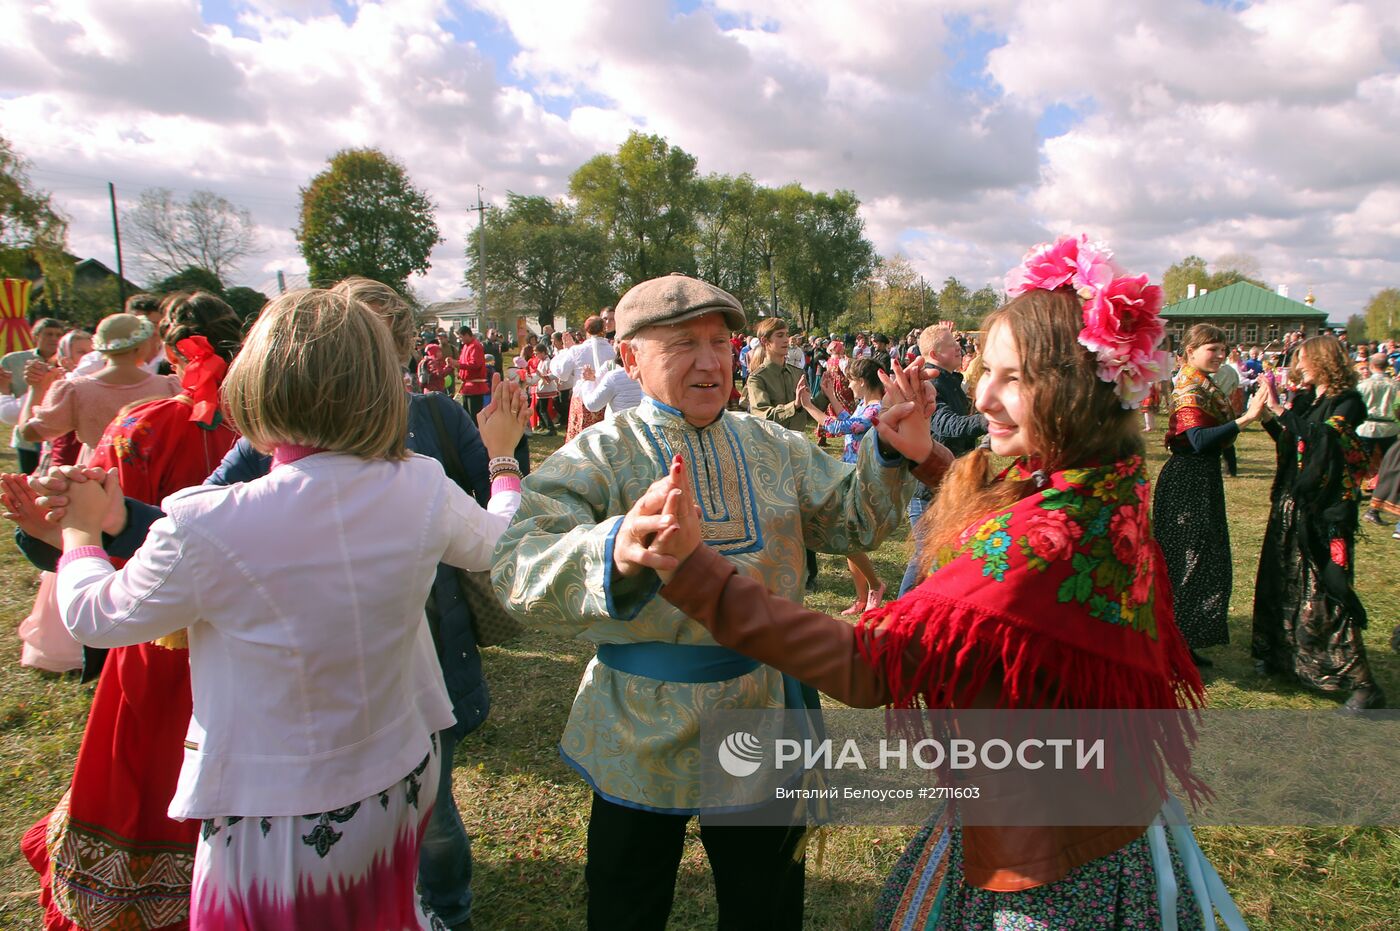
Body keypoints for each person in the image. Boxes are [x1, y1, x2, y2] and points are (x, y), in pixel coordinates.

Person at [645, 236, 1245, 930]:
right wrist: (929, 459)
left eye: (1012, 377)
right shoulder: (1108, 481)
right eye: (983, 368)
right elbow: (1013, 501)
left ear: (1078, 387)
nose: (981, 393)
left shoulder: (1048, 541)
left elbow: (870, 665)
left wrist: (699, 575)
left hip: (1043, 859)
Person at [42, 288, 527, 930]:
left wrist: (79, 533)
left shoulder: (206, 520)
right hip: (400, 773)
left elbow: (97, 618)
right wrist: (503, 463)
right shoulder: (419, 485)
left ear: (257, 384)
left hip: (276, 807)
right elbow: (502, 542)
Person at [490, 272, 950, 931]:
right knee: (627, 897)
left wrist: (884, 451)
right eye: (682, 343)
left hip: (760, 706)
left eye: (719, 341)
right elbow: (515, 562)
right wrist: (618, 546)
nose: (710, 361)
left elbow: (850, 520)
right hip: (637, 719)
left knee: (764, 900)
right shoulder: (598, 453)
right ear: (630, 359)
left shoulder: (773, 444)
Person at [5, 290, 244, 931]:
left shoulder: (141, 426)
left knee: (143, 767)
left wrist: (58, 536)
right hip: (241, 636)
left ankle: (135, 897)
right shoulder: (266, 432)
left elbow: (100, 530)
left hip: (151, 631)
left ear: (167, 349)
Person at [1251, 337, 1385, 711]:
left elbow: (1326, 438)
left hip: (1326, 512)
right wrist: (1269, 418)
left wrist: (1280, 409)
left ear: (1325, 360)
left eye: (1306, 359)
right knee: (1285, 583)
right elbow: (1294, 441)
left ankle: (1363, 685)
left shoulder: (1348, 402)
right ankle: (1284, 656)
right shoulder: (1307, 399)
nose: (1300, 365)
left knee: (1328, 591)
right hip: (1292, 504)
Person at [1154, 324, 1270, 666]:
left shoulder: (1207, 384)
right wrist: (1247, 418)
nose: (1220, 355)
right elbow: (1197, 440)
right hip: (1187, 480)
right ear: (1190, 352)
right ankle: (1172, 644)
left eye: (1223, 349)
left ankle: (1185, 641)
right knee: (1186, 561)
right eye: (1212, 349)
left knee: (1202, 559)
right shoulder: (1189, 387)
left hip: (1202, 478)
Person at [895, 323, 989, 597]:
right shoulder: (933, 384)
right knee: (925, 556)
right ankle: (897, 616)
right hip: (929, 490)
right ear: (936, 352)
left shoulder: (950, 380)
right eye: (952, 344)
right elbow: (948, 425)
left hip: (951, 484)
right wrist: (988, 422)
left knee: (946, 556)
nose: (959, 347)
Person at [744, 317, 822, 592]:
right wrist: (793, 405)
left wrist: (826, 394)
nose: (786, 340)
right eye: (779, 335)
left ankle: (810, 572)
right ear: (766, 342)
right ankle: (778, 569)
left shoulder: (796, 372)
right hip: (771, 452)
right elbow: (761, 414)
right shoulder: (757, 378)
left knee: (805, 508)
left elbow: (810, 407)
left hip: (798, 447)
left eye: (787, 334)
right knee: (778, 512)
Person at [811, 357, 889, 614]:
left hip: (864, 480)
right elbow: (847, 418)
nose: (849, 385)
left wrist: (808, 406)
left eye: (851, 381)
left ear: (863, 381)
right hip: (851, 475)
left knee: (850, 539)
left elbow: (840, 426)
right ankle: (861, 597)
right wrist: (831, 395)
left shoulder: (877, 409)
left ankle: (875, 586)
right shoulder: (865, 405)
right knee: (847, 539)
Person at [3, 317, 65, 474]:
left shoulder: (69, 361)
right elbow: (4, 392)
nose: (54, 339)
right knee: (28, 481)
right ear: (36, 337)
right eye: (49, 334)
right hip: (27, 435)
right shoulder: (14, 361)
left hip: (58, 436)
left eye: (58, 335)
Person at [553, 315, 615, 441]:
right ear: (604, 330)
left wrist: (564, 351)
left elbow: (562, 373)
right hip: (606, 397)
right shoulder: (612, 350)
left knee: (580, 440)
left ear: (586, 330)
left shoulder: (577, 350)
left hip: (583, 398)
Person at [1357, 353, 1399, 517]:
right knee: (1388, 465)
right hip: (1389, 428)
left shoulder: (1363, 385)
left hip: (1366, 426)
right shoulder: (1394, 385)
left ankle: (1355, 490)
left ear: (1371, 366)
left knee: (1359, 461)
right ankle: (1382, 497)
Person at [1212, 350, 1243, 477]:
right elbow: (1235, 386)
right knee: (1227, 439)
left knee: (1214, 437)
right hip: (1226, 405)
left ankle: (1217, 467)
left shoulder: (1212, 371)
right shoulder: (1231, 370)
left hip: (1213, 405)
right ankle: (1231, 468)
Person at [456, 325, 491, 417]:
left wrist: (458, 365)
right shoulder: (466, 347)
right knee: (467, 415)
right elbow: (463, 362)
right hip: (467, 387)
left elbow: (475, 364)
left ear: (467, 335)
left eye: (461, 337)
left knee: (474, 415)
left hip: (475, 387)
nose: (460, 339)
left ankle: (476, 431)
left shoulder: (475, 346)